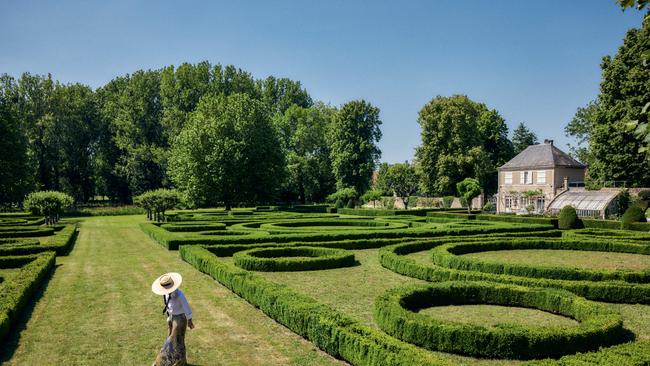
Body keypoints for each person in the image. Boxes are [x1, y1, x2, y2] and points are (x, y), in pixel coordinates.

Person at [151, 272, 194, 366]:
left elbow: (187, 307)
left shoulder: (180, 295)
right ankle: (179, 362)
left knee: (172, 341)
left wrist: (190, 320)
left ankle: (162, 362)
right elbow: (169, 307)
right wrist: (169, 319)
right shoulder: (166, 294)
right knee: (176, 342)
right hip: (172, 318)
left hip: (180, 321)